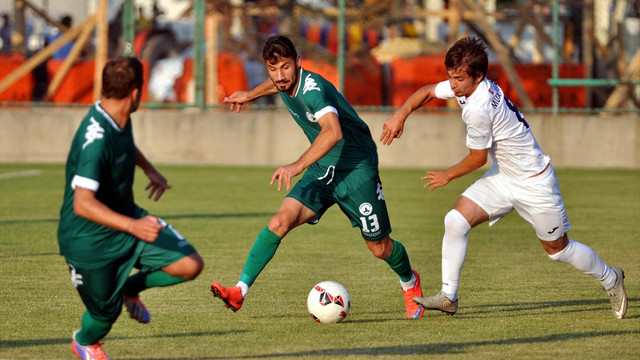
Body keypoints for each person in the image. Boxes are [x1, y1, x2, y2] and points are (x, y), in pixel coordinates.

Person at [380, 36, 627, 319]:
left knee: (558, 250)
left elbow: (477, 158)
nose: (454, 84)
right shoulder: (469, 87)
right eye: (450, 77)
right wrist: (400, 115)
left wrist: (447, 175)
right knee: (455, 221)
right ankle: (449, 297)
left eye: (459, 78)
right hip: (504, 177)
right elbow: (427, 92)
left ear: (478, 76)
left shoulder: (478, 108)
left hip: (535, 182)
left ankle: (611, 279)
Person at [210, 34, 424, 319]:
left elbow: (333, 131)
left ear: (298, 62)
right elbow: (276, 85)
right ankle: (239, 291)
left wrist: (296, 166)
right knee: (280, 221)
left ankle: (410, 283)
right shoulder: (282, 80)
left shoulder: (313, 90)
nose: (280, 75)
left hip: (356, 168)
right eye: (272, 69)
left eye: (285, 67)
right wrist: (248, 95)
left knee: (379, 247)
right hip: (323, 168)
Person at [57, 57, 204, 360]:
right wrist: (134, 227)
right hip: (89, 241)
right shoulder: (95, 139)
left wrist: (149, 169)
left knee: (189, 264)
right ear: (136, 94)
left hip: (126, 219)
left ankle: (128, 288)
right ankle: (84, 342)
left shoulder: (119, 114)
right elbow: (82, 204)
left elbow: (124, 144)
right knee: (103, 317)